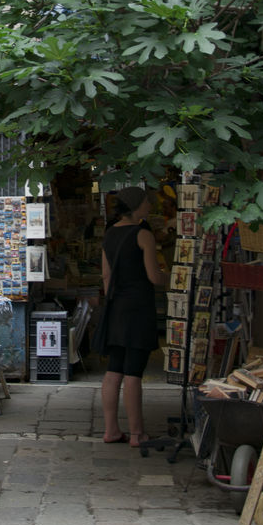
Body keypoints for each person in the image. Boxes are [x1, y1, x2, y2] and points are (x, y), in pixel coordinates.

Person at [98, 186, 166, 447]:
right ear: (137, 205)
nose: (150, 205)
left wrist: (114, 300)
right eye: (147, 201)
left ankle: (111, 429)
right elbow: (153, 276)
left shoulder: (109, 234)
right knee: (134, 371)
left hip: (116, 307)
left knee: (114, 369)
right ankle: (137, 433)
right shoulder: (143, 234)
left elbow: (106, 275)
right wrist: (175, 279)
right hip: (138, 308)